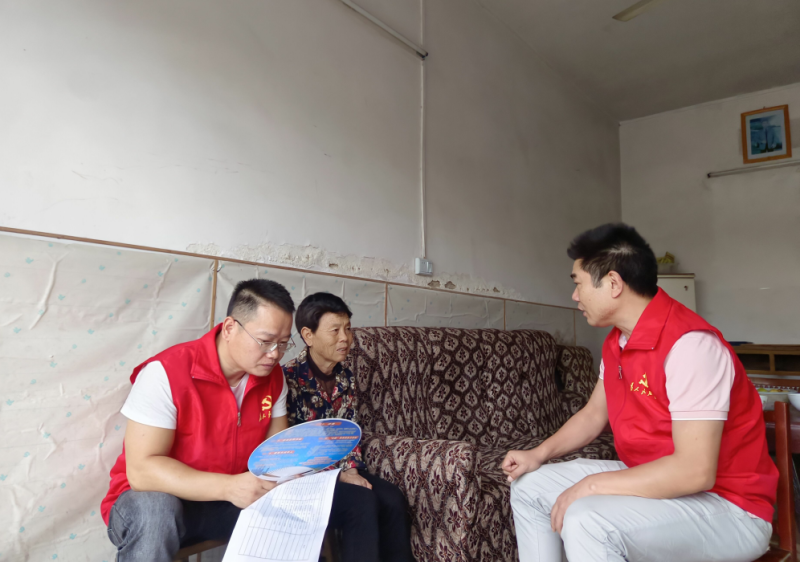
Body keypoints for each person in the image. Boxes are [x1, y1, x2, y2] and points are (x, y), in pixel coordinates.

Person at [502, 223, 777, 562]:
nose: (574, 296)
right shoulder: (616, 342)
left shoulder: (690, 346)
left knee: (588, 520)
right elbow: (593, 415)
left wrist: (590, 486)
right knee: (529, 486)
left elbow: (694, 471)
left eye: (578, 283)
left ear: (613, 283)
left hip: (729, 508)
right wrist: (538, 454)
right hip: (658, 483)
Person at [102, 279, 296, 562]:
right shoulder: (166, 372)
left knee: (294, 515)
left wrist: (291, 472)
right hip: (153, 501)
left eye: (283, 343)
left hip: (224, 499)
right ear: (229, 328)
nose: (275, 354)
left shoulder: (273, 377)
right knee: (155, 510)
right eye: (265, 341)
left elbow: (275, 452)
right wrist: (229, 487)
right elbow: (142, 471)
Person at [283, 292, 414, 562]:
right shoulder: (288, 379)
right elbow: (292, 449)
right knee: (363, 501)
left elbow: (349, 428)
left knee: (392, 498)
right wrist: (341, 476)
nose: (345, 338)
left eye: (348, 329)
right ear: (308, 335)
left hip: (342, 470)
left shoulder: (345, 376)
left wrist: (351, 470)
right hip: (305, 478)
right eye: (335, 330)